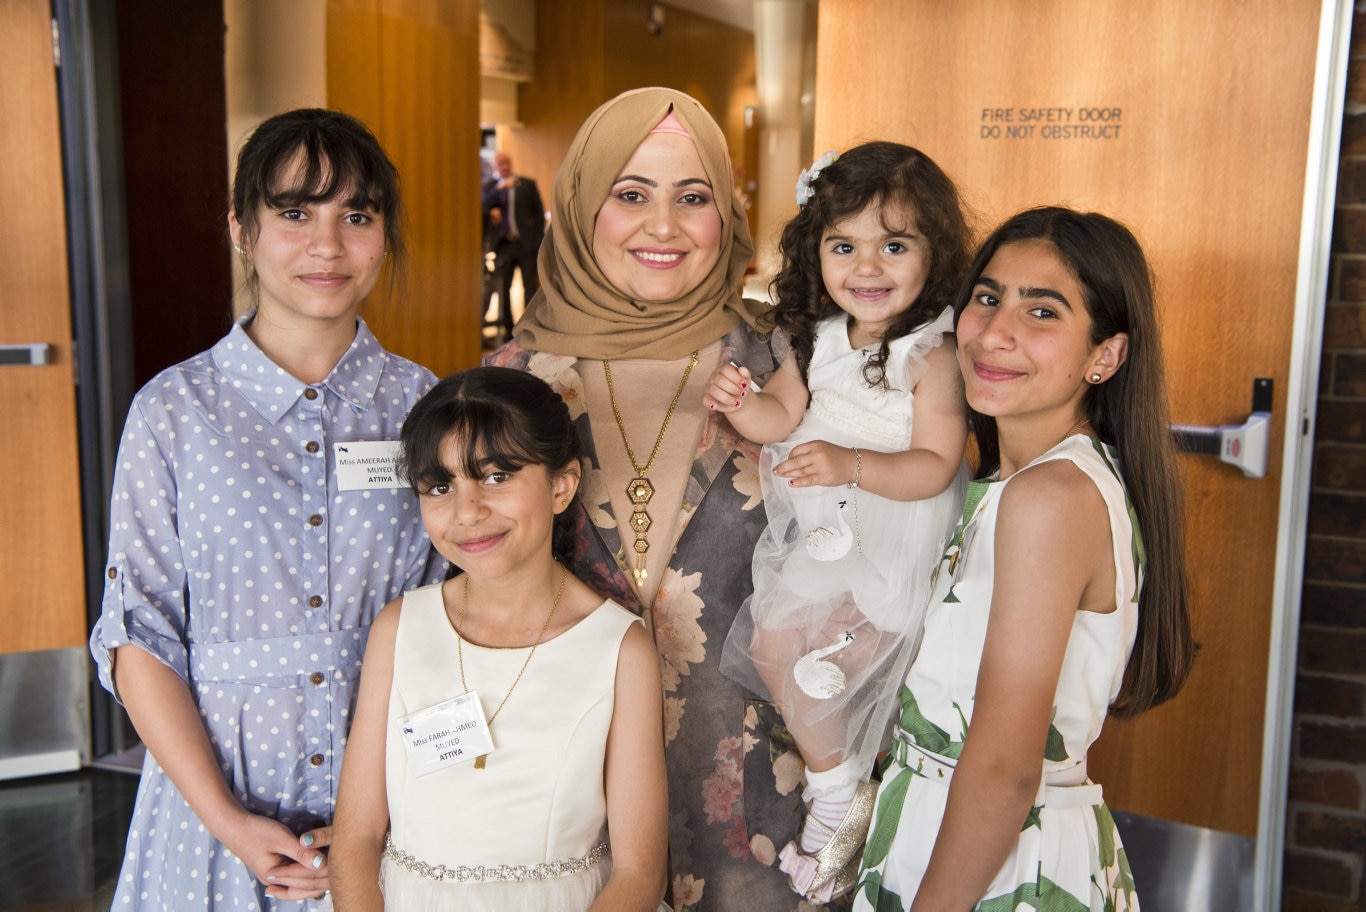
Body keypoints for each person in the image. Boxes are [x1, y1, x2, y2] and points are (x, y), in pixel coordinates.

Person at [89, 107, 446, 908]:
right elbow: (137, 632)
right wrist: (227, 820)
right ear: (242, 231)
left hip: (393, 803)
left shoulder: (422, 405)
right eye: (294, 213)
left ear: (383, 236)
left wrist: (380, 811)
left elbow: (455, 609)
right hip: (216, 807)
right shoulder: (174, 412)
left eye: (357, 215)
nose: (328, 245)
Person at [484, 87, 803, 910]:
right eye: (631, 194)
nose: (663, 226)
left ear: (724, 217)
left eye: (692, 197)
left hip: (766, 818)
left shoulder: (792, 363)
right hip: (564, 819)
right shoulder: (510, 382)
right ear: (584, 205)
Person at [853, 207, 1195, 911]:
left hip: (994, 863)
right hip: (944, 827)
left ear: (1106, 356)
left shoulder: (1050, 498)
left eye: (1042, 311)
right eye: (988, 297)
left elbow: (1007, 769)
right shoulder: (1016, 483)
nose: (996, 331)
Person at [705, 141, 972, 903]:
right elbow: (775, 417)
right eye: (843, 246)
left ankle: (846, 812)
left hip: (892, 542)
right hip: (826, 542)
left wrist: (851, 465)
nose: (868, 267)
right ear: (814, 252)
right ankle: (841, 785)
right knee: (772, 643)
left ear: (935, 254)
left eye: (894, 246)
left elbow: (936, 462)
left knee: (841, 670)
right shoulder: (817, 339)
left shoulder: (933, 353)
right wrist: (736, 401)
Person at [329, 367, 669, 911]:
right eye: (440, 487)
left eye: (495, 476)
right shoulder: (400, 628)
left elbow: (640, 873)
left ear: (561, 485)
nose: (468, 512)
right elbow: (355, 837)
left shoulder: (618, 648)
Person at [481, 150, 545, 339]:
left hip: (525, 244)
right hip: (504, 245)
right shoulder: (491, 187)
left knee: (529, 287)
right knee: (504, 288)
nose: (504, 167)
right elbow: (482, 206)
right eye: (499, 163)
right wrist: (500, 189)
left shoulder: (526, 184)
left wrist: (537, 241)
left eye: (506, 162)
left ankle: (528, 327)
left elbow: (539, 214)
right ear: (494, 167)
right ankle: (509, 331)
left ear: (511, 163)